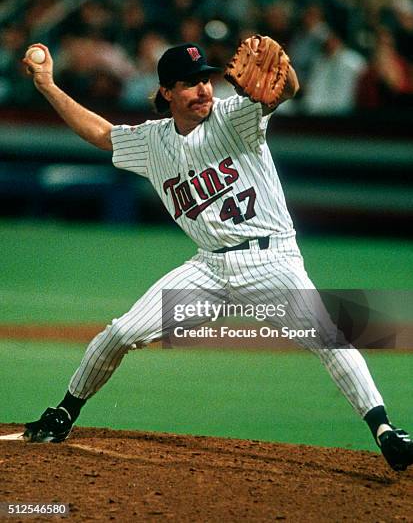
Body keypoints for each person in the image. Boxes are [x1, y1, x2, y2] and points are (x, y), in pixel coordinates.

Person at [22, 40, 413, 472]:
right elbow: (100, 134)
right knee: (121, 333)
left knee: (328, 337)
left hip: (272, 261)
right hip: (207, 268)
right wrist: (47, 85)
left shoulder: (234, 116)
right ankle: (64, 413)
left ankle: (385, 431)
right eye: (190, 83)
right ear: (167, 92)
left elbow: (283, 91)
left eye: (205, 79)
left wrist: (289, 77)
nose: (203, 89)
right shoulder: (153, 141)